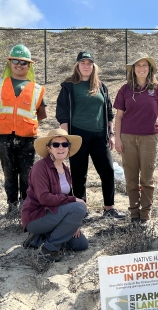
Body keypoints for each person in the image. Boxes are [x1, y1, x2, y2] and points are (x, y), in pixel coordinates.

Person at [56, 50, 125, 219]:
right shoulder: (69, 85)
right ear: (77, 65)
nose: (86, 66)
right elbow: (63, 112)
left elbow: (108, 112)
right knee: (79, 173)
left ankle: (109, 209)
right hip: (77, 135)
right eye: (82, 63)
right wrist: (65, 137)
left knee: (107, 170)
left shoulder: (101, 86)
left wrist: (111, 134)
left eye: (89, 63)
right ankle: (82, 210)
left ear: (94, 66)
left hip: (100, 136)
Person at [113, 53, 158, 223]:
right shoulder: (125, 89)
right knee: (131, 178)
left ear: (149, 69)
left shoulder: (156, 88)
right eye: (138, 66)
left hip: (149, 138)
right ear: (133, 70)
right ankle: (134, 213)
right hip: (127, 138)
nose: (141, 68)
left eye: (144, 65)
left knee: (147, 178)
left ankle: (145, 214)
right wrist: (118, 139)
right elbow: (118, 116)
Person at [0, 44, 47, 212]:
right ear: (9, 63)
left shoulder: (36, 88)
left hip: (28, 138)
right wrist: (4, 120)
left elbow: (42, 113)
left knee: (27, 174)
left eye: (23, 62)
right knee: (9, 173)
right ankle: (12, 206)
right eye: (15, 61)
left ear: (29, 66)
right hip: (4, 136)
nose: (19, 65)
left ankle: (26, 206)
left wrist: (25, 123)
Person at [22, 129, 88, 262]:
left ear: (68, 147)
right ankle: (49, 249)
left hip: (55, 213)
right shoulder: (40, 167)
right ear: (49, 148)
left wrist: (74, 224)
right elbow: (44, 198)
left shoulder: (65, 169)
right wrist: (73, 199)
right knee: (79, 207)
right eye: (56, 145)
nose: (61, 148)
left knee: (80, 244)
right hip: (37, 216)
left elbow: (66, 199)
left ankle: (38, 239)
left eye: (64, 144)